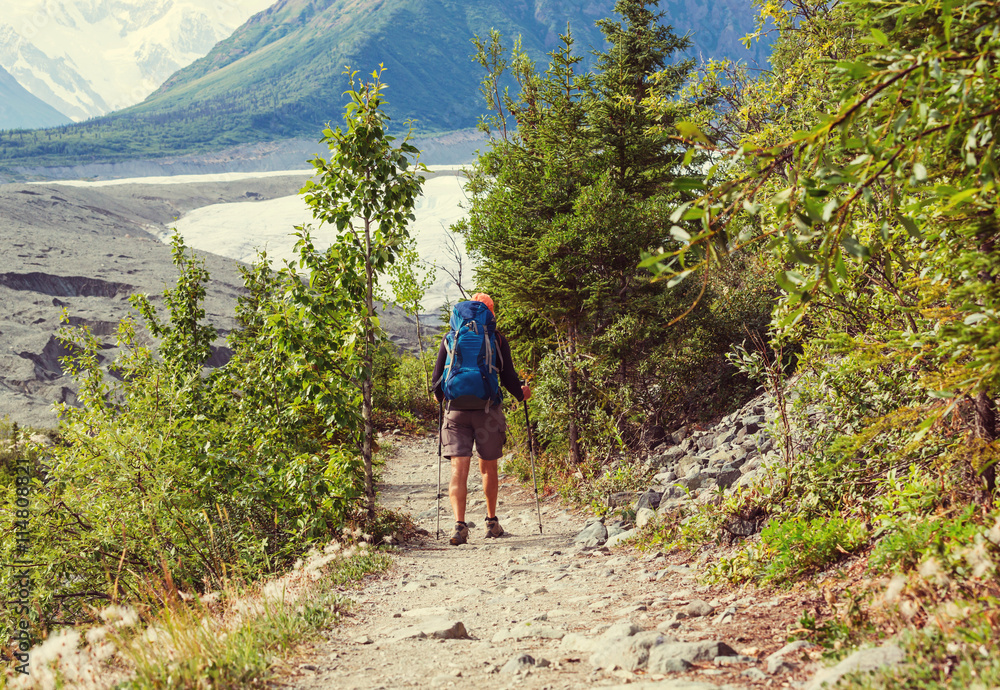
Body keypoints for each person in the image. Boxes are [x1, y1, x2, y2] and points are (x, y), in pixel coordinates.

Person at [432, 293, 531, 545]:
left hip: (456, 412)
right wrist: (522, 394)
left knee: (458, 470)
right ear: (491, 313)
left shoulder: (450, 338)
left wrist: (443, 397)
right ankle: (491, 522)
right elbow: (508, 377)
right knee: (488, 467)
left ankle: (459, 527)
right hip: (488, 412)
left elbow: (436, 387)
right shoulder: (496, 338)